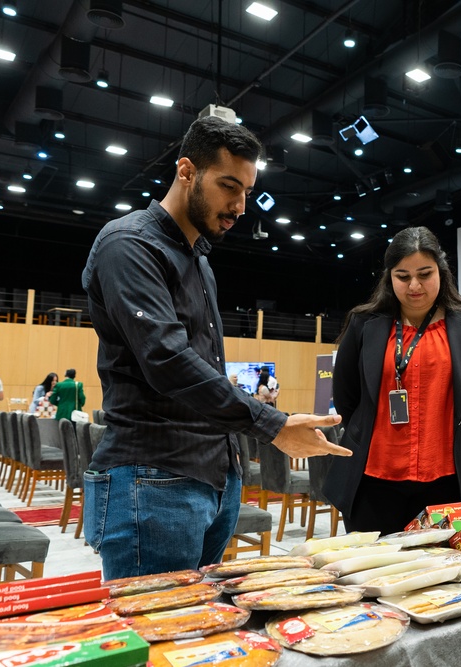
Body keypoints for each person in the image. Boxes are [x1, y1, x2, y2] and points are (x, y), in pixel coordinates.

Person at [81, 115, 350, 580]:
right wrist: (273, 425)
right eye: (229, 186)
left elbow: (202, 368)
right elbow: (167, 361)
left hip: (214, 476)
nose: (241, 205)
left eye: (247, 191)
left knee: (201, 633)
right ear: (186, 171)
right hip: (153, 477)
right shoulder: (129, 244)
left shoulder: (200, 261)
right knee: (156, 638)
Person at [327, 226, 461, 535]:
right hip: (372, 481)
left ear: (441, 271)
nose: (414, 286)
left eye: (425, 273)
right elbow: (347, 397)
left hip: (449, 480)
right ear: (389, 277)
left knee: (445, 577)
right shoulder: (364, 323)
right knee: (373, 578)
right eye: (403, 276)